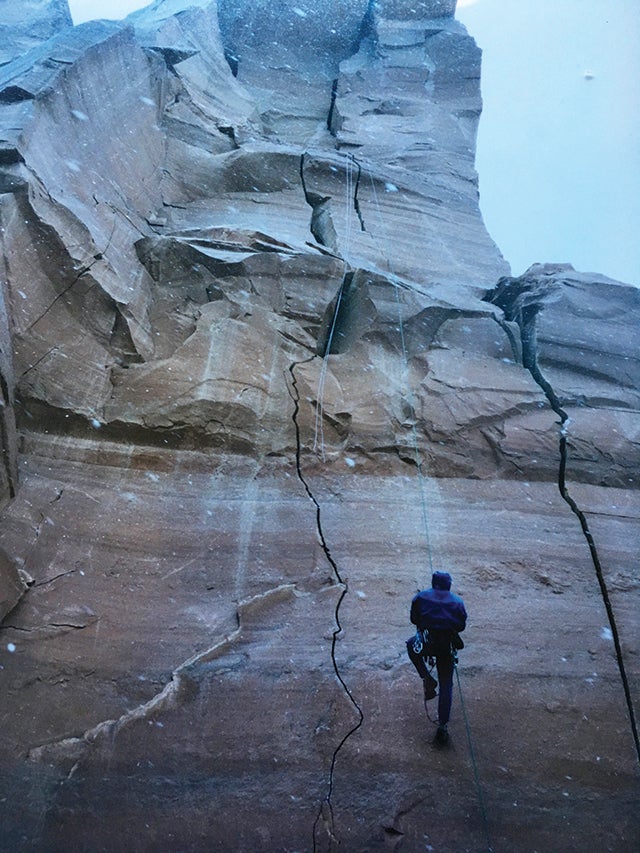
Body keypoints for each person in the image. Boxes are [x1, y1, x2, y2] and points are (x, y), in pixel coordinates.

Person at [406, 571, 467, 744]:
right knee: (446, 682)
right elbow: (461, 626)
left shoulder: (420, 597)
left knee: (411, 645)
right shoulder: (458, 602)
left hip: (427, 641)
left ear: (434, 583)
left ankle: (426, 677)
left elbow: (414, 619)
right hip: (447, 645)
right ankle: (442, 726)